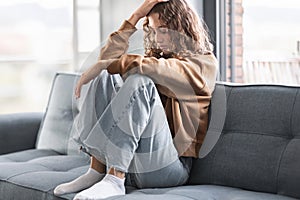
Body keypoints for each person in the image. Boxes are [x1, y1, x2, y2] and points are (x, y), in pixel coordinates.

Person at [54, 0, 218, 199]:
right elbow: (106, 60)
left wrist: (112, 64)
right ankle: (97, 170)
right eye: (154, 30)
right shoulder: (156, 57)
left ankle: (115, 180)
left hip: (169, 169)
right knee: (105, 76)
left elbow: (160, 69)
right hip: (135, 162)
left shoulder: (204, 64)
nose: (158, 38)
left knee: (140, 80)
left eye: (165, 30)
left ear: (182, 27)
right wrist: (135, 17)